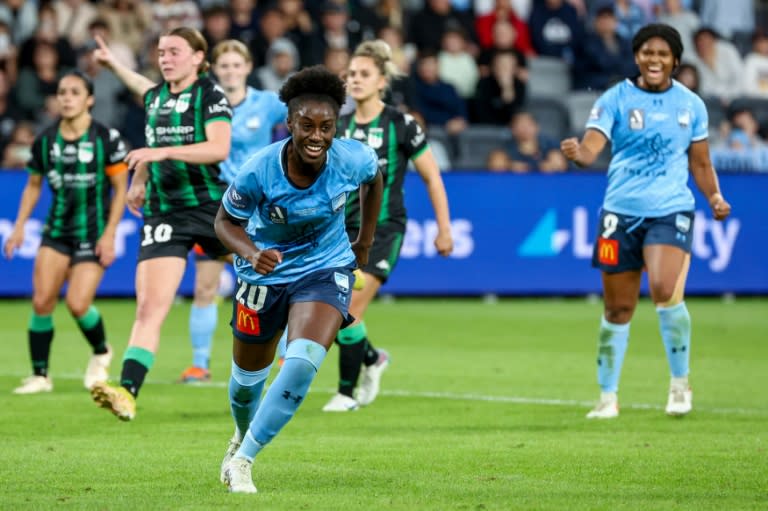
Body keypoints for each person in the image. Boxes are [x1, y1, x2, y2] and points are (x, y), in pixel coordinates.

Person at [215, 65, 383, 493]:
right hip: (262, 276)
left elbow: (374, 178)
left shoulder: (352, 156)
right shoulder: (259, 170)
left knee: (302, 363)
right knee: (245, 386)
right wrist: (253, 252)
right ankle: (239, 435)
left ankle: (245, 459)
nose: (316, 136)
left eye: (326, 127)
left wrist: (363, 240)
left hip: (325, 269)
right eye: (306, 125)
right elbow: (224, 223)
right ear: (288, 124)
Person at [560, 24, 731, 419]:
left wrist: (715, 197)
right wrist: (577, 153)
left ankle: (679, 385)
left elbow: (701, 163)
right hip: (618, 214)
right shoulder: (615, 99)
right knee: (617, 309)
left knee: (662, 287)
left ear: (674, 60)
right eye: (647, 53)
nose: (654, 60)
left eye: (663, 54)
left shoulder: (691, 105)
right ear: (637, 57)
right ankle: (607, 397)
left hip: (671, 208)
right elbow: (590, 149)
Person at [88, 26, 232, 421]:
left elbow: (219, 147)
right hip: (165, 212)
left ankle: (325, 272)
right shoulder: (155, 98)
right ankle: (128, 391)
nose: (165, 57)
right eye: (161, 52)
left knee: (274, 273)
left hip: (211, 207)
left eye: (174, 51)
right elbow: (140, 85)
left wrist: (161, 152)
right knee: (150, 307)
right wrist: (140, 179)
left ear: (198, 58)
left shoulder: (209, 95)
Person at [323, 39, 454, 412]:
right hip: (341, 232)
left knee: (347, 308)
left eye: (364, 74)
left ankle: (346, 394)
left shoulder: (401, 123)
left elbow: (432, 177)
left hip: (383, 230)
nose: (355, 80)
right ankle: (372, 359)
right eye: (351, 74)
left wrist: (444, 229)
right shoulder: (340, 125)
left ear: (382, 80)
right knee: (336, 311)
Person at [3, 70, 129, 394]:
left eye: (74, 92)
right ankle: (40, 376)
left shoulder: (105, 139)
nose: (67, 98)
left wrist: (110, 233)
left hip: (93, 231)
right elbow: (33, 186)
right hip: (56, 231)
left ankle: (101, 351)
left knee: (77, 303)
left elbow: (119, 187)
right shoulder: (46, 141)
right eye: (62, 92)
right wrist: (18, 228)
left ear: (89, 99)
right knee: (42, 301)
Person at [178, 39, 287, 383]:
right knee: (205, 285)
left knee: (267, 280)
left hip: (258, 206)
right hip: (216, 207)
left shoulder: (267, 103)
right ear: (214, 70)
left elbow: (303, 118)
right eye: (224, 66)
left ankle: (284, 356)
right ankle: (200, 364)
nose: (230, 71)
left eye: (236, 65)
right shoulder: (204, 105)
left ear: (248, 67)